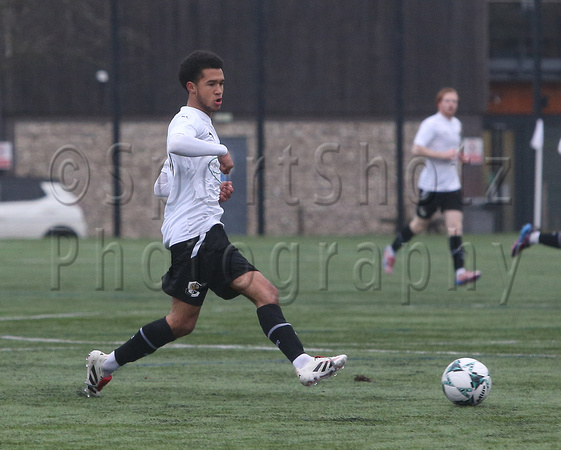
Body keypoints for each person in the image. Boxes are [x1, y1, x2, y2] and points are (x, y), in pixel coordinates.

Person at [84, 50, 346, 397]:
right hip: (197, 237)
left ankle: (104, 366)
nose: (219, 89)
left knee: (181, 323)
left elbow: (161, 186)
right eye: (211, 83)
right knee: (263, 291)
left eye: (222, 83)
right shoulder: (187, 121)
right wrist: (220, 151)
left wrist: (209, 189)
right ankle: (302, 364)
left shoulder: (204, 126)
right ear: (192, 87)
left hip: (200, 233)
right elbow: (175, 143)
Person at [382, 87, 481, 286]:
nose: (452, 104)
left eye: (455, 101)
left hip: (451, 186)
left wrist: (461, 157)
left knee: (455, 227)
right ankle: (391, 250)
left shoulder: (457, 124)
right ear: (439, 103)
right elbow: (416, 148)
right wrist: (442, 155)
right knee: (419, 224)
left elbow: (452, 150)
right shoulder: (431, 124)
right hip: (431, 185)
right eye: (448, 101)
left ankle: (460, 272)